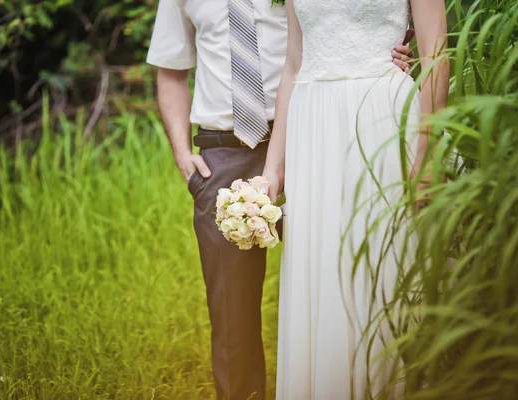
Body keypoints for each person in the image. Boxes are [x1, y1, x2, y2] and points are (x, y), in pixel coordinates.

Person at [146, 1, 415, 398]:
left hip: (316, 135)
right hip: (225, 153)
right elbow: (170, 68)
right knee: (231, 308)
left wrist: (384, 50)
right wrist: (182, 155)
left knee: (340, 277)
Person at [261, 0, 449, 399]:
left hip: (380, 116)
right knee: (324, 267)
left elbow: (434, 50)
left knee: (387, 266)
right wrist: (272, 168)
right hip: (313, 128)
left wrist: (428, 155)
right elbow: (293, 66)